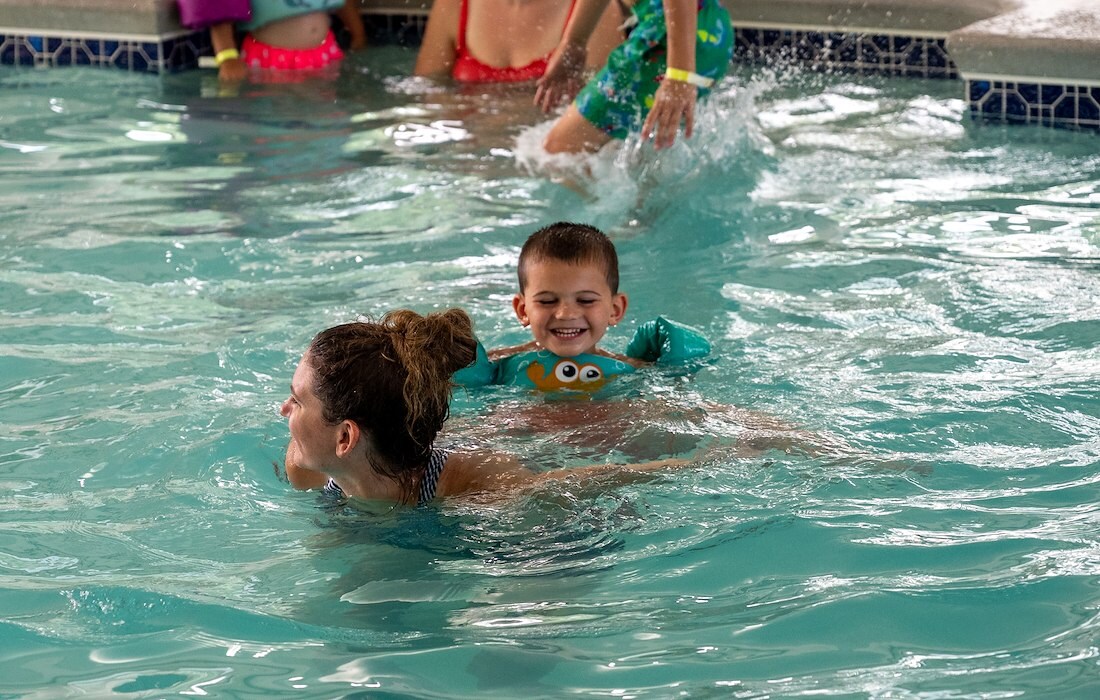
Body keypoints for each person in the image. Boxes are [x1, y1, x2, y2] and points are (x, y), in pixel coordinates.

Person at [280, 308, 691, 505]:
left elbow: (584, 480)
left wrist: (715, 459)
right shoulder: (305, 469)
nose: (284, 410)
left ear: (346, 437)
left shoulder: (476, 484)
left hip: (539, 435)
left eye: (297, 401)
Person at [454, 221, 710, 392]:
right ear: (523, 310)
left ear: (615, 309)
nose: (566, 313)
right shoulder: (501, 366)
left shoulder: (634, 371)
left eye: (586, 300)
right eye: (547, 301)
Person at [534, 0, 733, 153]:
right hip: (709, 31)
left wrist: (679, 77)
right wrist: (574, 42)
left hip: (667, 38)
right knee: (644, 169)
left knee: (561, 151)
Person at [413, 0, 625, 83]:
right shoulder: (455, 4)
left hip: (544, 162)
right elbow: (429, 91)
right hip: (471, 162)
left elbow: (606, 112)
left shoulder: (593, 14)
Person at [204, 0, 367, 82]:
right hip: (269, 60)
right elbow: (221, 10)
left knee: (323, 105)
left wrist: (358, 36)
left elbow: (344, 4)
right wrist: (227, 57)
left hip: (324, 53)